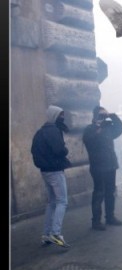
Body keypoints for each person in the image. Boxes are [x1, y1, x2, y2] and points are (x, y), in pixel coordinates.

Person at [31, 105, 72, 248]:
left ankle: (46, 234)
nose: (63, 117)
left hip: (45, 171)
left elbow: (33, 150)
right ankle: (56, 233)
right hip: (55, 171)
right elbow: (60, 150)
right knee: (62, 201)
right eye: (61, 114)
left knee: (52, 202)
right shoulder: (53, 131)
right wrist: (65, 149)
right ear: (55, 116)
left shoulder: (40, 132)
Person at [83, 106, 122, 231]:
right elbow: (89, 142)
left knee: (110, 192)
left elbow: (121, 128)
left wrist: (111, 115)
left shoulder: (108, 128)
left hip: (111, 165)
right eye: (100, 115)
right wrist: (97, 126)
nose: (102, 117)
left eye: (103, 115)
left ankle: (110, 217)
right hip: (98, 167)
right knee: (99, 193)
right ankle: (96, 221)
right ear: (94, 116)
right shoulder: (89, 129)